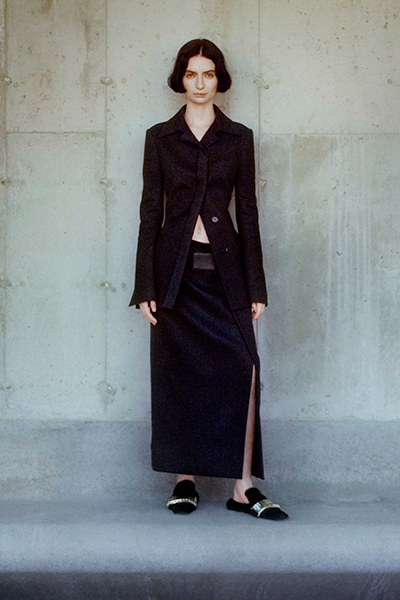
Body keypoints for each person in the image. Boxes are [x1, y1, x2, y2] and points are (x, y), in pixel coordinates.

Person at [130, 39, 288, 521]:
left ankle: (243, 488)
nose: (200, 83)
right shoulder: (160, 138)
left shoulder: (238, 137)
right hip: (172, 273)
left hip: (227, 270)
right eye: (191, 74)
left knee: (245, 369)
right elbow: (150, 212)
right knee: (179, 375)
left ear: (219, 79)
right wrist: (144, 286)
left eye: (209, 74)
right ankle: (185, 481)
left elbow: (249, 212)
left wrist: (256, 285)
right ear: (180, 79)